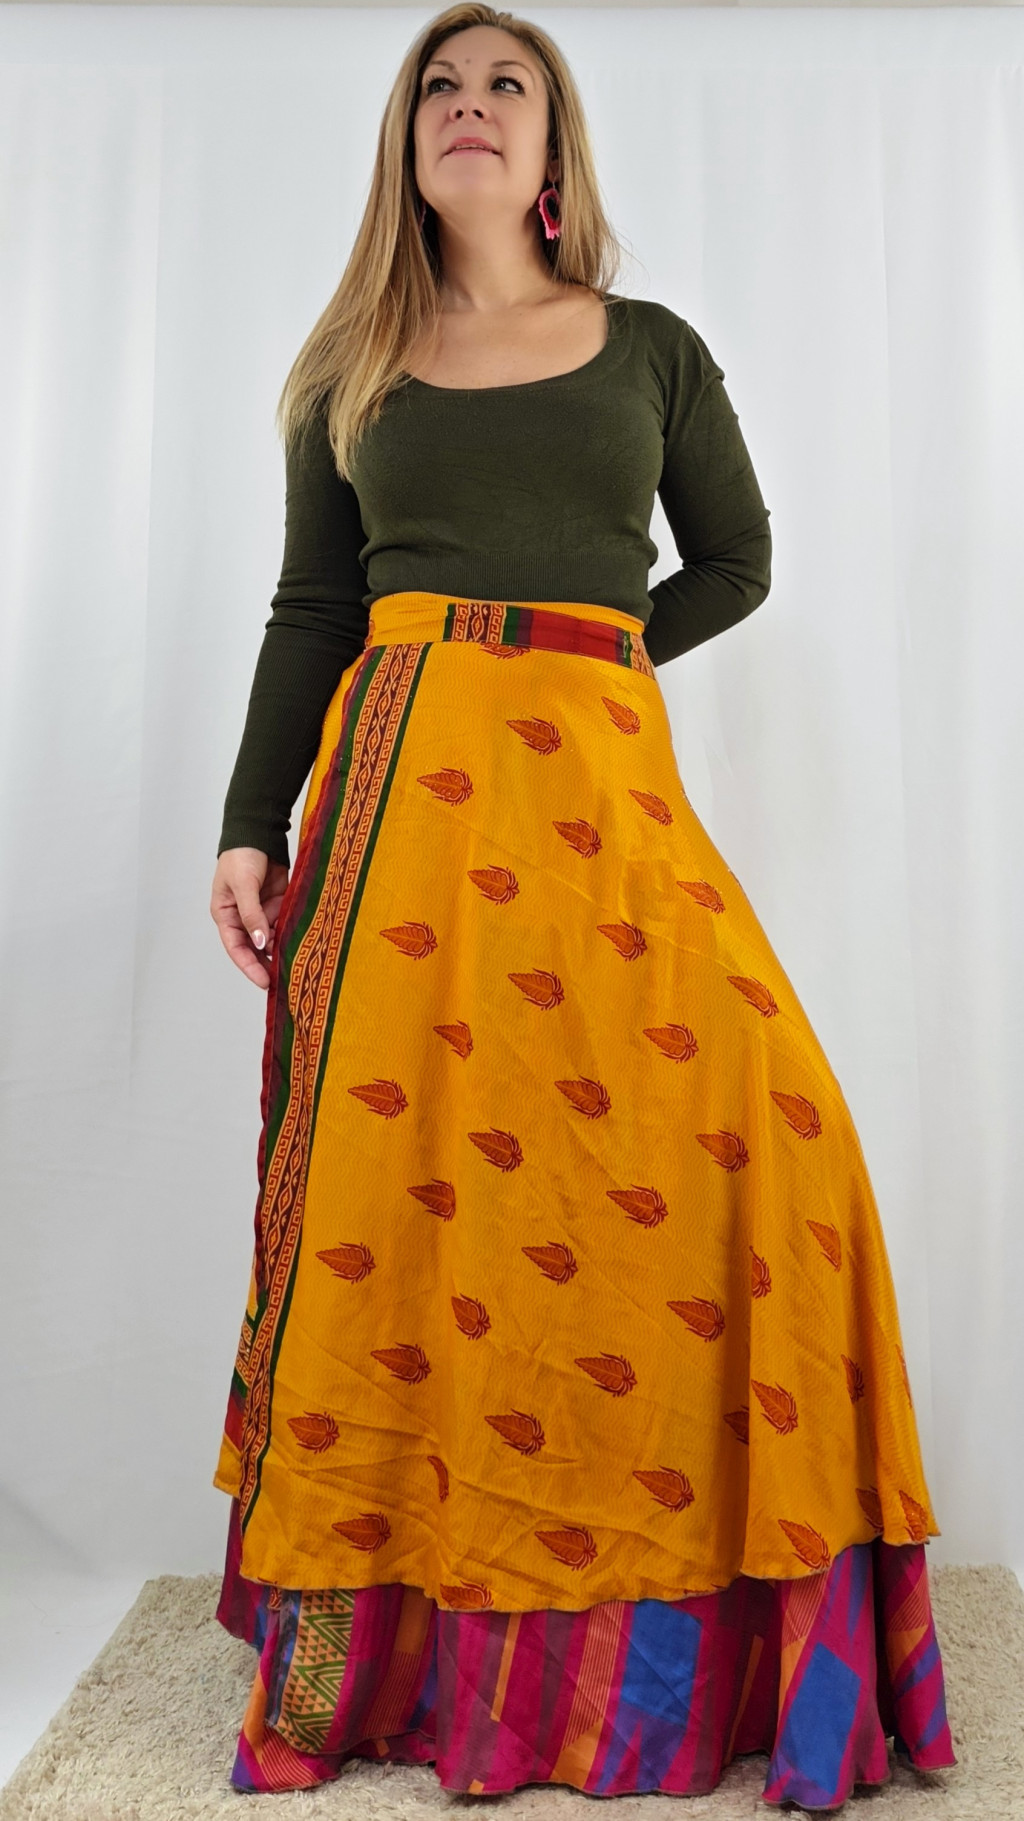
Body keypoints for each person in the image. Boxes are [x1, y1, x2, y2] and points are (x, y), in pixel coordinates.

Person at [208, 4, 955, 1806]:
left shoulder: (653, 350)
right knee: (410, 1201)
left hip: (604, 805)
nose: (470, 107)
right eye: (440, 87)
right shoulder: (347, 368)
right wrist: (248, 822)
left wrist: (586, 660)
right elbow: (314, 608)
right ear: (408, 143)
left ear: (555, 150)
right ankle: (379, 1641)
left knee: (772, 1132)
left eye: (508, 86)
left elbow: (738, 560)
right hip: (399, 813)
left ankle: (703, 1620)